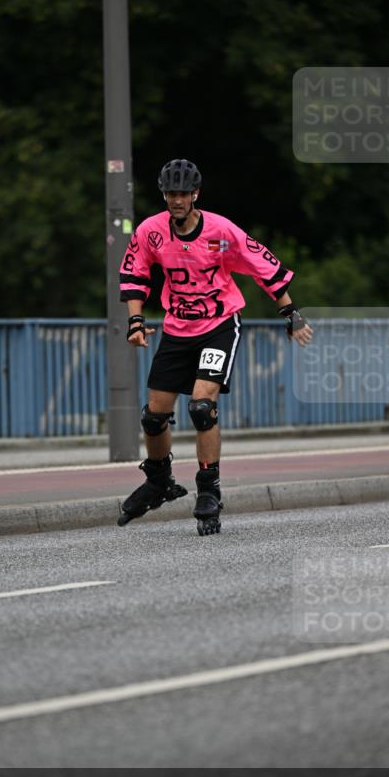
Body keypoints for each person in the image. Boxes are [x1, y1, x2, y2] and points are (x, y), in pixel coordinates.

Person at [117, 158, 313, 535]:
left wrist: (290, 313)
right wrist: (136, 321)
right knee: (153, 416)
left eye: (183, 194)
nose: (176, 200)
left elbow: (262, 265)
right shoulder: (151, 231)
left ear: (195, 195)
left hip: (219, 326)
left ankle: (209, 490)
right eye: (170, 194)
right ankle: (159, 481)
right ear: (165, 195)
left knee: (202, 407)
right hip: (177, 329)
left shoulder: (221, 232)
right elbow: (134, 271)